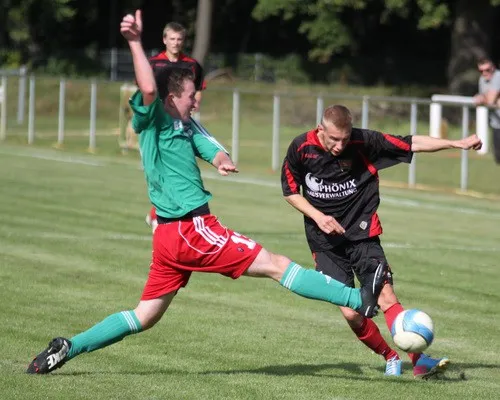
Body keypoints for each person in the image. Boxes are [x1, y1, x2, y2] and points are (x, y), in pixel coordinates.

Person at [26, 11, 387, 375]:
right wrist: (135, 41)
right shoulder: (152, 118)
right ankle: (360, 298)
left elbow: (203, 141)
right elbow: (149, 89)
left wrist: (219, 159)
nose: (195, 101)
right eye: (188, 96)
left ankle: (69, 346)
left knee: (144, 316)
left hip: (170, 237)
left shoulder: (183, 124)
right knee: (276, 265)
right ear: (169, 99)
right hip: (190, 228)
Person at [281, 105, 482, 378]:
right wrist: (319, 216)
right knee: (351, 313)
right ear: (320, 131)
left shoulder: (363, 142)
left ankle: (420, 361)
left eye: (345, 138)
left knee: (385, 295)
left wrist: (456, 143)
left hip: (362, 234)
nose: (341, 145)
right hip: (324, 242)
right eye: (334, 139)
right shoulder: (301, 147)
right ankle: (389, 357)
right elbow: (290, 191)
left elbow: (412, 143)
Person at [145, 21, 207, 232]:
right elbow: (145, 91)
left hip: (181, 124)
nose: (176, 43)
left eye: (179, 39)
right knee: (157, 167)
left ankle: (158, 216)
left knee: (177, 167)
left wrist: (194, 103)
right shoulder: (153, 63)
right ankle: (157, 212)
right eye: (172, 38)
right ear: (164, 40)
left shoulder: (191, 65)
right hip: (158, 125)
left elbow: (198, 89)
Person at [473, 57, 500, 164]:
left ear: (493, 67)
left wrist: (482, 98)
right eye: (481, 71)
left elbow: (490, 100)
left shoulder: (498, 76)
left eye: (487, 70)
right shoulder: (482, 80)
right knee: (498, 158)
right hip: (496, 123)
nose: (484, 73)